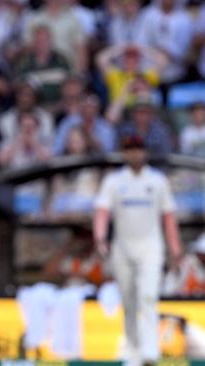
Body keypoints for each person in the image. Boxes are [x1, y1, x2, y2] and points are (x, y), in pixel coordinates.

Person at [93, 135, 183, 366]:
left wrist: (175, 249)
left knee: (148, 296)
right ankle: (132, 351)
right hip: (122, 248)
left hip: (151, 247)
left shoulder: (157, 180)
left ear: (144, 152)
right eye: (130, 149)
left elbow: (168, 216)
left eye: (138, 149)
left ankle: (150, 353)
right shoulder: (114, 181)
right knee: (129, 301)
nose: (135, 154)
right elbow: (103, 212)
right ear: (124, 153)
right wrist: (100, 237)